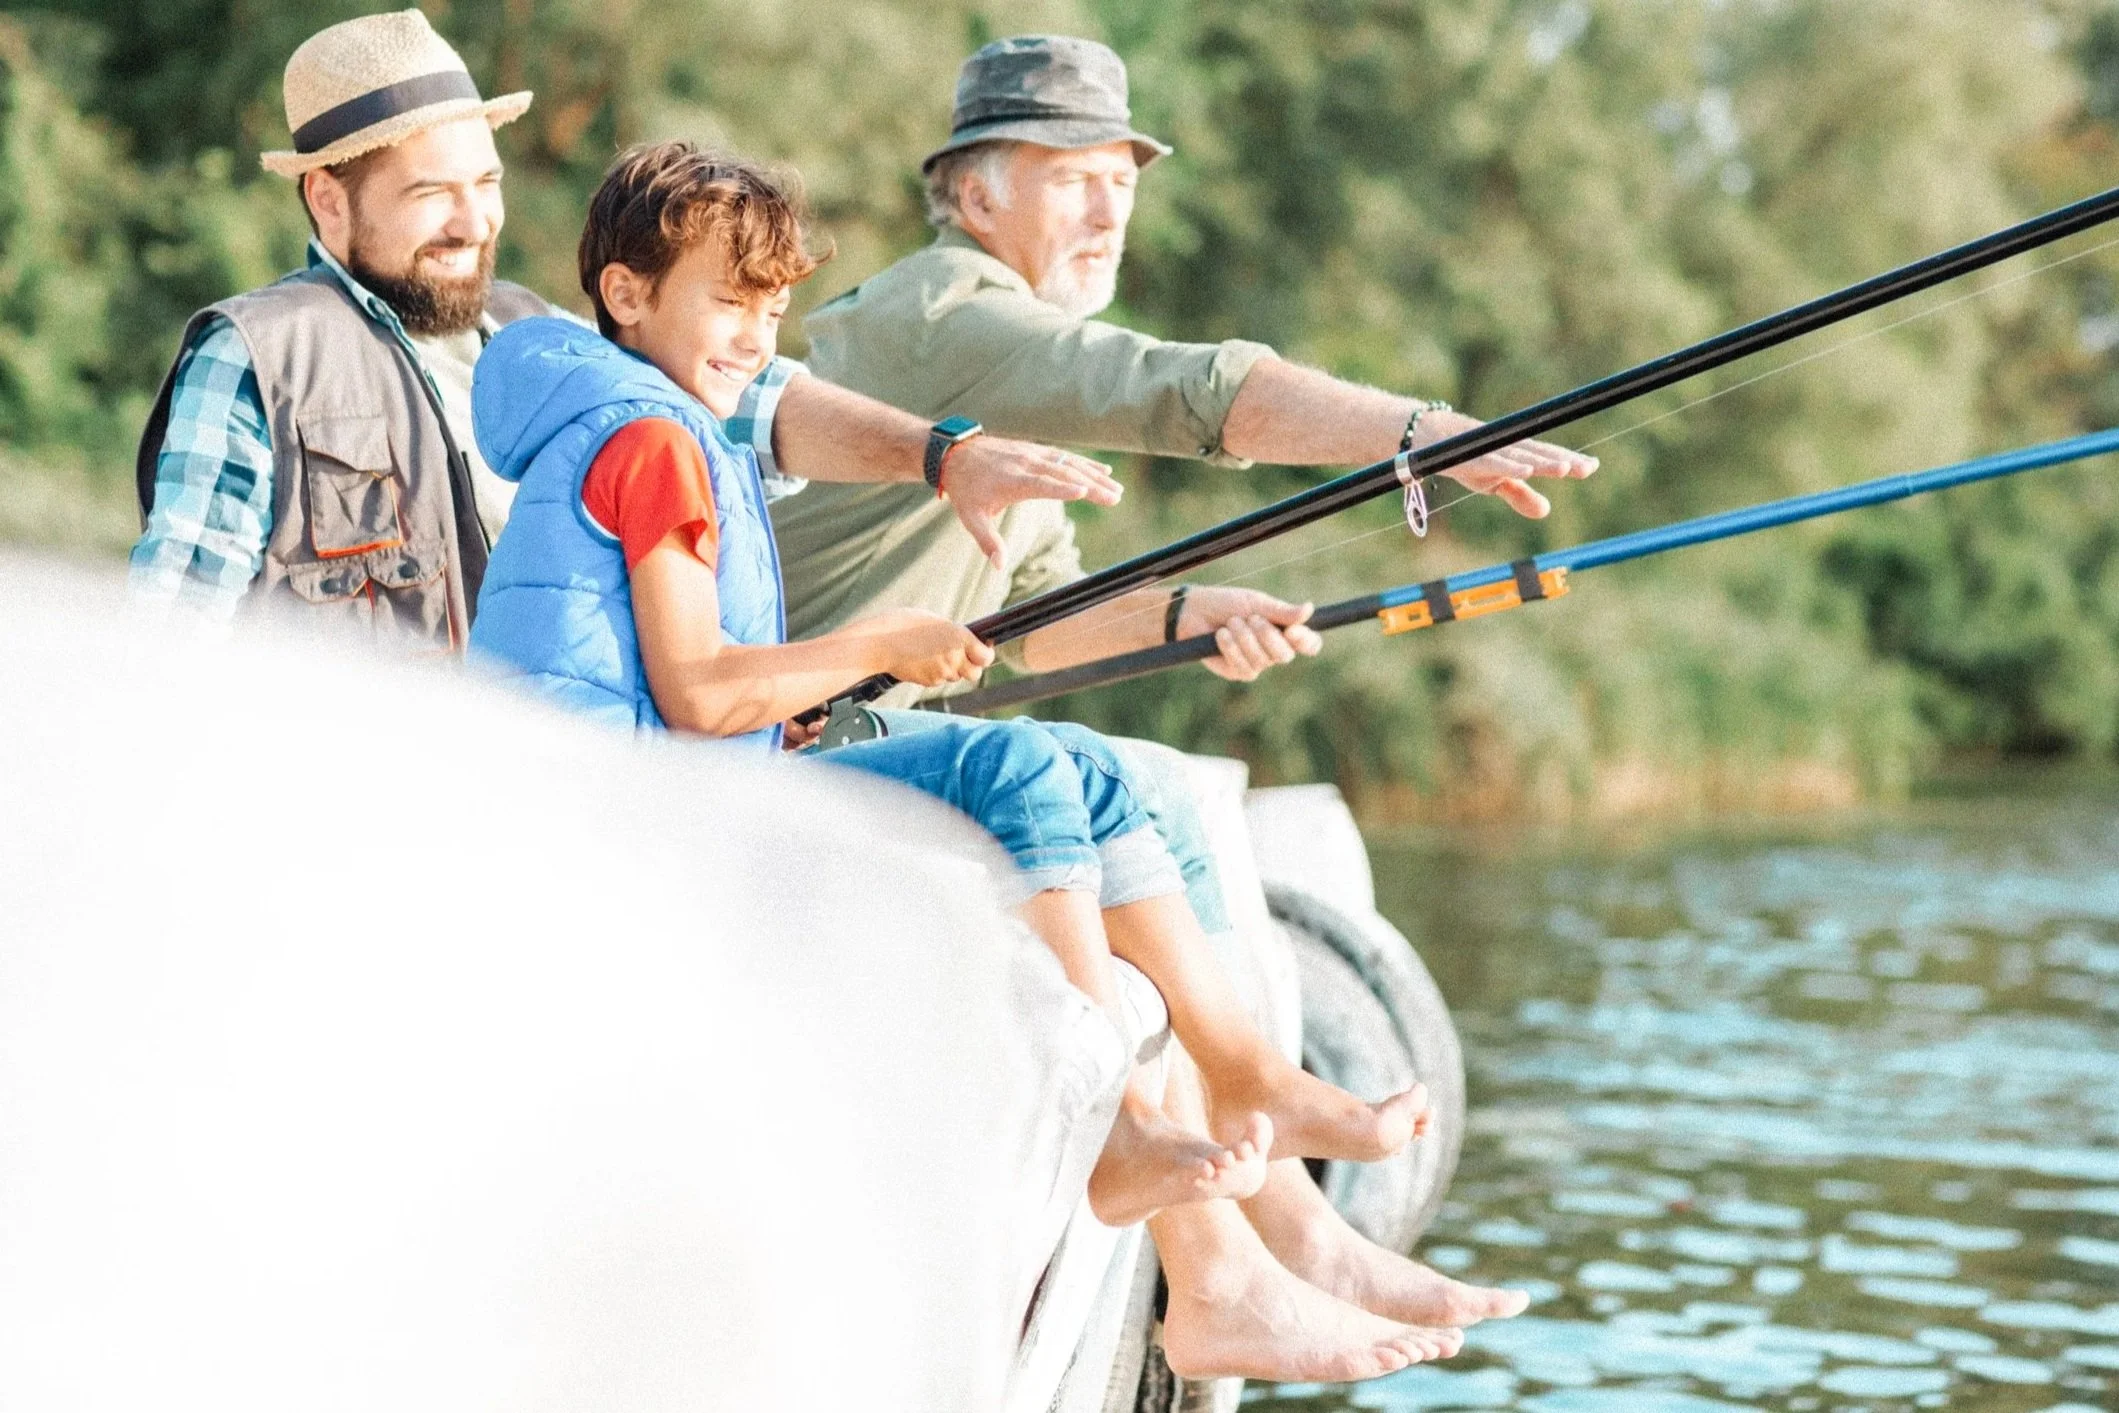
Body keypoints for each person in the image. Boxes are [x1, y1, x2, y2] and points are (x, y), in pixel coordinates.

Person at [466, 140, 1468, 1381]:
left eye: (772, 310)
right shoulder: (652, 442)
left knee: (1083, 773)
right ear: (626, 297)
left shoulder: (666, 421)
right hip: (655, 800)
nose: (753, 340)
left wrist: (1170, 611)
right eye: (729, 303)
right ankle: (1122, 1120)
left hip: (698, 766)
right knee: (1027, 774)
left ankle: (1247, 1069)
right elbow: (700, 690)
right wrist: (872, 644)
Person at [771, 32, 1589, 1332]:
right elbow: (1179, 393)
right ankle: (1244, 1207)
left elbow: (1042, 621)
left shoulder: (996, 351)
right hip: (803, 726)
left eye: (1123, 179)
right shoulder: (948, 316)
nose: (1108, 207)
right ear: (975, 195)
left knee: (1157, 782)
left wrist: (1192, 618)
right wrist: (1418, 435)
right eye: (1070, 175)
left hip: (887, 716)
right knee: (1115, 781)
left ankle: (1297, 1235)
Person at [130, 9, 1120, 644]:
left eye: (486, 183)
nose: (475, 224)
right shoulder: (260, 353)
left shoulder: (530, 332)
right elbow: (173, 626)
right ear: (328, 202)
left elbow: (752, 399)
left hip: (558, 804)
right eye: (432, 193)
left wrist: (943, 458)